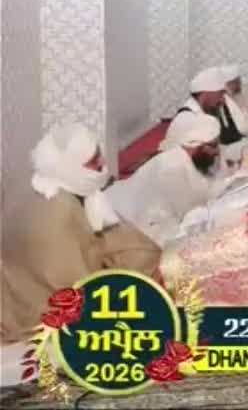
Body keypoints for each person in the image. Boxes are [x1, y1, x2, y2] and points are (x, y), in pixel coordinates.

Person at [1, 125, 160, 342]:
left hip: (12, 311)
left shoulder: (33, 187)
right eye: (94, 160)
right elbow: (72, 283)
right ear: (69, 165)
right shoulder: (62, 208)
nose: (102, 165)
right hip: (42, 323)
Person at [104, 113, 222, 247]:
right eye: (213, 146)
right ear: (193, 144)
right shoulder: (172, 167)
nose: (217, 151)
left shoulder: (186, 158)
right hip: (127, 221)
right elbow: (181, 216)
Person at [178, 67, 244, 147]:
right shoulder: (189, 116)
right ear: (206, 94)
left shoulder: (204, 111)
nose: (223, 100)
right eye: (220, 94)